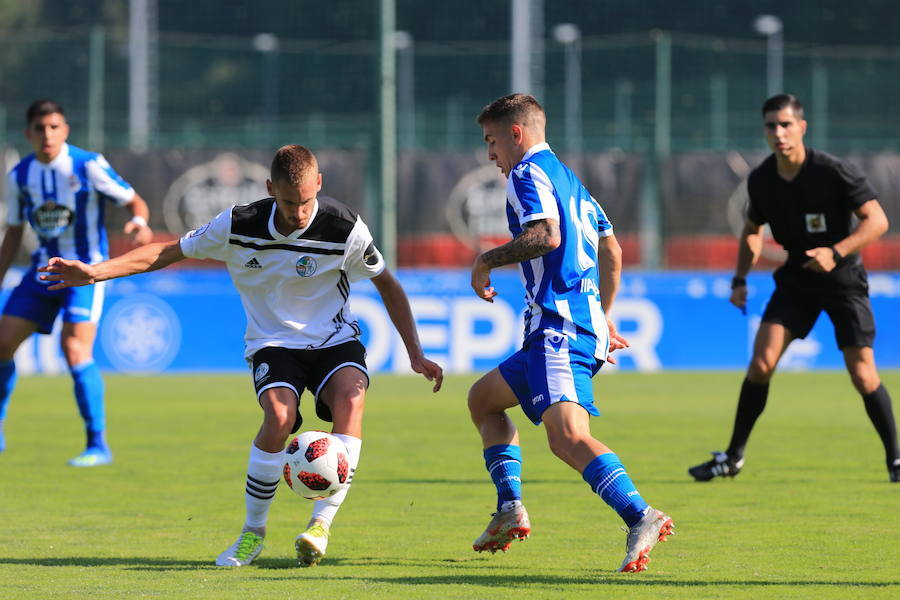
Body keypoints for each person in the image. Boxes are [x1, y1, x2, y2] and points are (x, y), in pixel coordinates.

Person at [39, 144, 444, 567]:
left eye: (306, 201)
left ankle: (321, 523)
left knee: (351, 399)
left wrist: (414, 352)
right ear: (270, 189)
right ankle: (252, 533)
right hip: (272, 343)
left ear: (319, 185)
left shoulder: (344, 228)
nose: (299, 212)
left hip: (334, 341)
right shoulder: (238, 223)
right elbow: (167, 251)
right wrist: (95, 271)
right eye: (289, 202)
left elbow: (388, 285)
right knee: (279, 418)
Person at [466, 94, 674, 573]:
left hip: (557, 328)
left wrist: (485, 260)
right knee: (483, 401)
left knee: (567, 437)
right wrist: (602, 314)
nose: (490, 154)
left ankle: (640, 515)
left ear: (515, 133)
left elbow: (546, 236)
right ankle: (508, 507)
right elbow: (613, 251)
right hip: (565, 326)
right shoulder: (573, 181)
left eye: (492, 141)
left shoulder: (526, 174)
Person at [688, 94, 899, 484]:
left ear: (802, 127)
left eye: (786, 124)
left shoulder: (833, 171)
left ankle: (896, 461)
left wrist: (837, 251)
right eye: (771, 125)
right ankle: (732, 457)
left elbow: (877, 221)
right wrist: (739, 279)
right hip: (797, 280)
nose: (779, 132)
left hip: (843, 280)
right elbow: (752, 232)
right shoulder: (763, 179)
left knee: (863, 375)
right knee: (761, 363)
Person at [0, 99, 153, 466]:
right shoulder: (20, 175)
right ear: (29, 134)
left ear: (65, 130)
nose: (47, 134)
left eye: (54, 127)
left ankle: (97, 444)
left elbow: (136, 202)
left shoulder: (88, 165)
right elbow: (14, 232)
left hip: (86, 272)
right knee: (2, 344)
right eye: (40, 128)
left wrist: (139, 223)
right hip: (42, 272)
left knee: (75, 350)